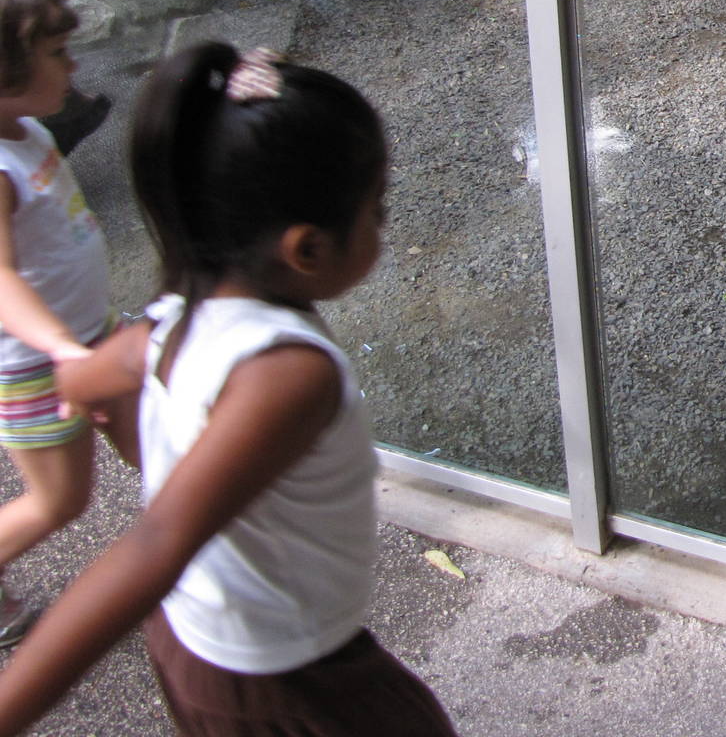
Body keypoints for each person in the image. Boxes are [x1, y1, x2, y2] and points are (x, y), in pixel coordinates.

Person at [0, 43, 457, 736]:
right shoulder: (287, 374)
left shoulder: (171, 319)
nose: (383, 226)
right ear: (306, 249)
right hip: (281, 676)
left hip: (198, 640)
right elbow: (155, 545)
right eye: (378, 210)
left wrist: (82, 384)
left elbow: (87, 373)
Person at [0, 0, 111, 648]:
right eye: (58, 54)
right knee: (59, 501)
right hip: (40, 365)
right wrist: (65, 350)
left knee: (148, 424)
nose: (74, 66)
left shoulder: (26, 127)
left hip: (91, 335)